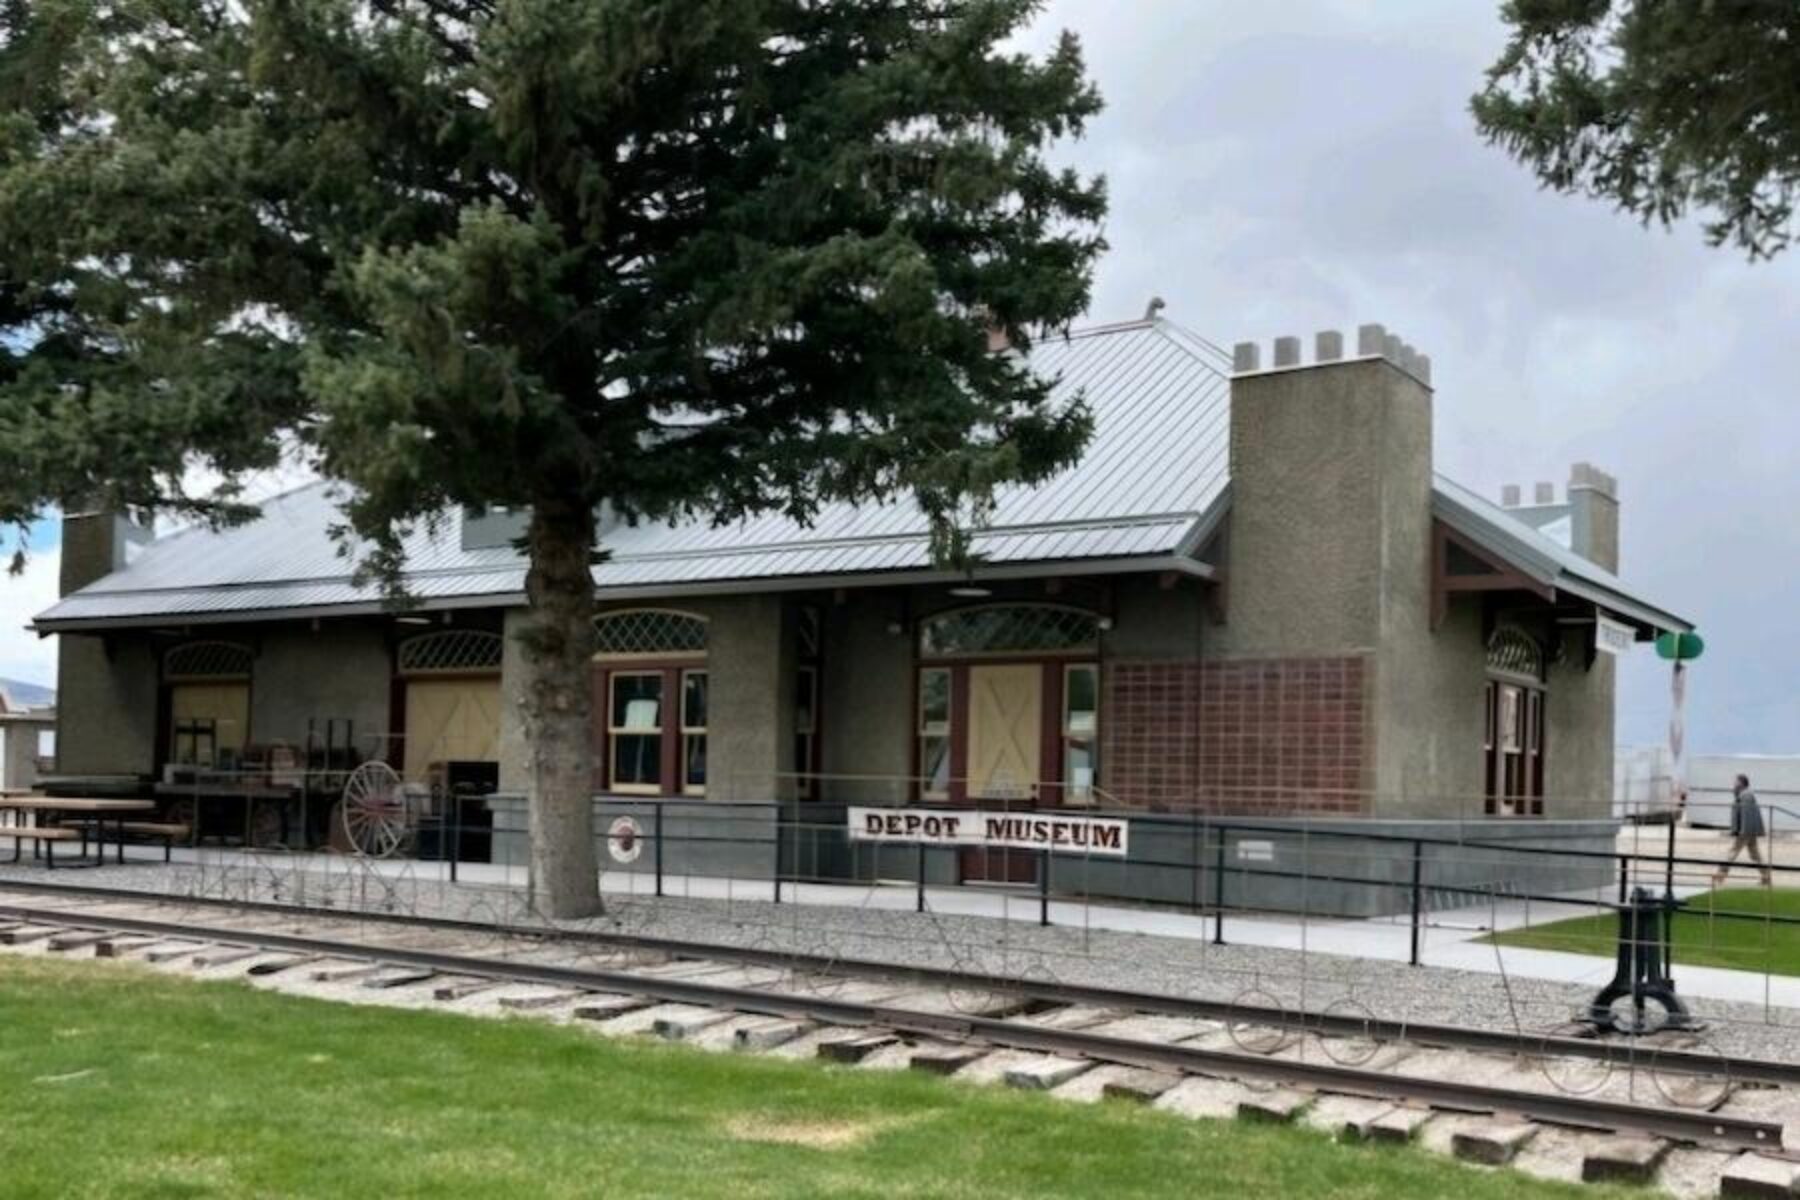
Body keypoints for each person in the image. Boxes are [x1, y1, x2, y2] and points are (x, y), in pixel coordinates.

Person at [1713, 774, 1773, 888]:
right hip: (1747, 831)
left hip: (1746, 831)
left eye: (1736, 782)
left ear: (1741, 783)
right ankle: (1766, 877)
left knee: (1733, 852)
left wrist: (1742, 830)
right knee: (1755, 855)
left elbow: (1747, 815)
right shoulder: (1742, 794)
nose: (1734, 784)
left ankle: (1721, 874)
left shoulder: (1746, 795)